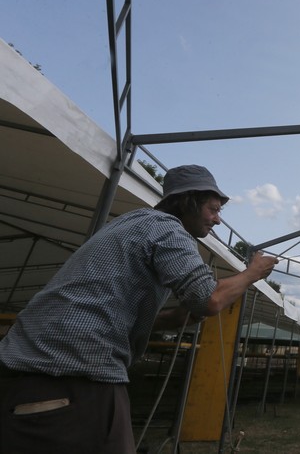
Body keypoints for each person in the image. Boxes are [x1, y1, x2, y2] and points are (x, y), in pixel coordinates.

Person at [0, 164, 278, 453]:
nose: (218, 220)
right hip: (75, 378)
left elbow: (103, 310)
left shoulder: (131, 222)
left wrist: (173, 318)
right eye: (213, 209)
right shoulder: (166, 228)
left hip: (43, 376)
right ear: (189, 201)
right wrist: (252, 273)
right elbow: (208, 299)